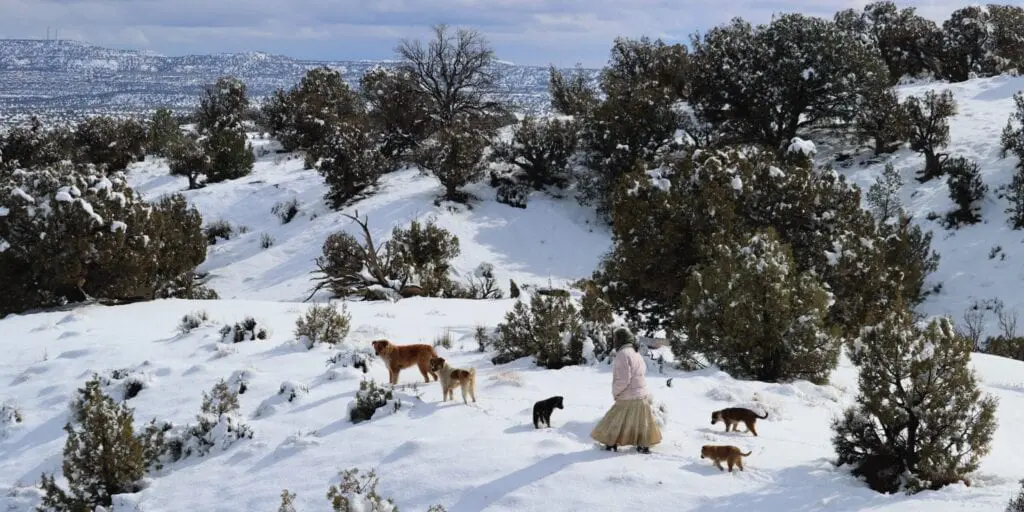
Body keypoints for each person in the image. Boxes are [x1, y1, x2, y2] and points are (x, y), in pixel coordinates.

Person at [590, 327, 662, 454]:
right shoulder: (635, 352)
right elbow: (642, 371)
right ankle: (643, 445)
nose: (614, 341)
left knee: (612, 421)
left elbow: (623, 379)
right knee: (641, 423)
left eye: (616, 339)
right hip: (641, 396)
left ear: (621, 340)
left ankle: (610, 445)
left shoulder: (622, 354)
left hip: (627, 395)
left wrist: (616, 392)